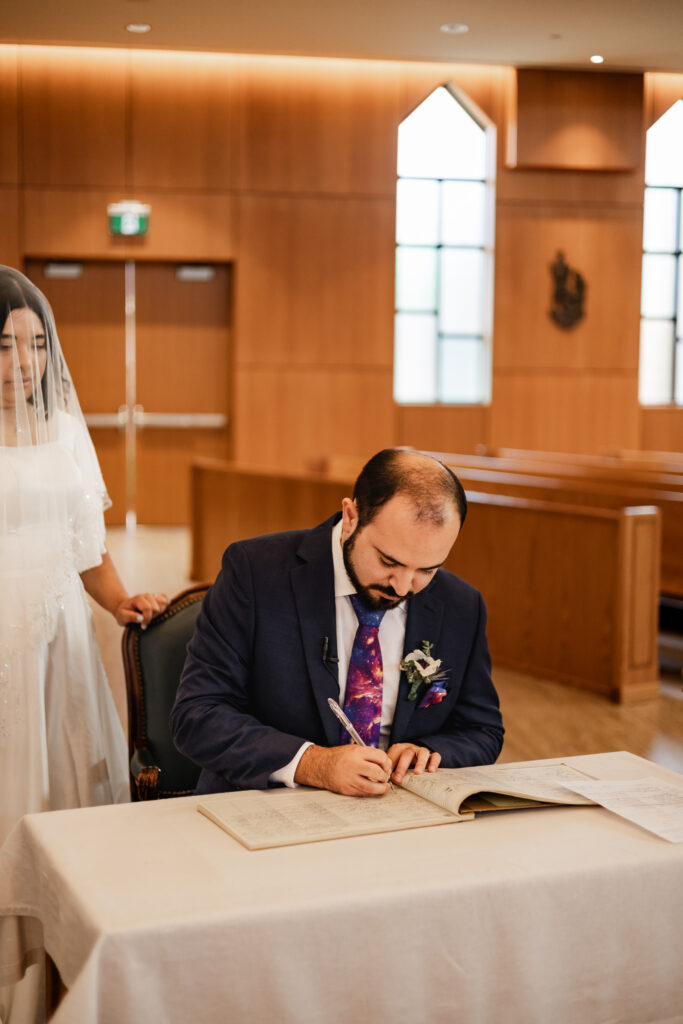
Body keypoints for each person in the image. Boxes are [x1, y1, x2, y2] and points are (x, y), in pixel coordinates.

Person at [171, 448, 503, 797]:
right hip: (266, 805)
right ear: (351, 517)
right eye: (388, 560)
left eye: (427, 569)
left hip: (399, 817)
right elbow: (198, 715)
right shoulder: (255, 573)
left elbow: (482, 730)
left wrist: (431, 752)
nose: (403, 587)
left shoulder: (461, 604)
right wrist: (316, 764)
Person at [0, 266, 169, 848]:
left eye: (37, 346)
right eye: (5, 346)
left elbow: (86, 546)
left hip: (64, 627)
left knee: (63, 761)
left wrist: (121, 600)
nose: (23, 364)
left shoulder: (66, 430)